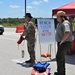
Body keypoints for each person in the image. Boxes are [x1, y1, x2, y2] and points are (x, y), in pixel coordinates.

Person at [54, 11, 72, 75]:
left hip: (64, 43)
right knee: (61, 58)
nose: (57, 18)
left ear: (62, 17)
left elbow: (67, 32)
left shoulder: (65, 23)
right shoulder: (60, 23)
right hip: (62, 43)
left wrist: (62, 41)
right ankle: (61, 72)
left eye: (57, 16)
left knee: (59, 57)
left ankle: (60, 73)